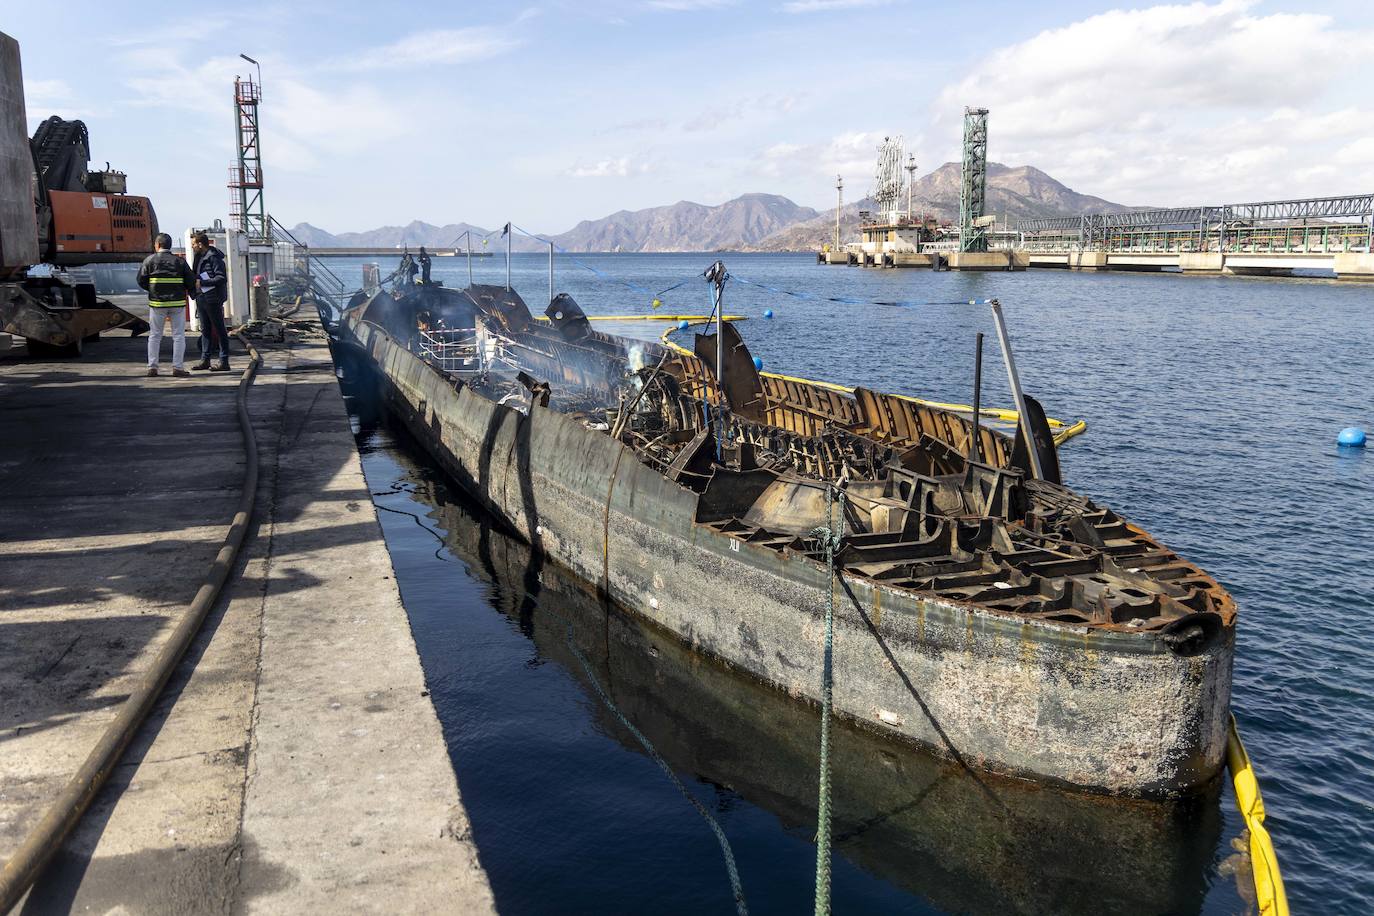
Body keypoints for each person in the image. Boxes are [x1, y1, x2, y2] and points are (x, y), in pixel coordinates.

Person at [136, 233, 196, 377]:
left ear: (157, 245)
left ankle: (152, 368)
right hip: (177, 304)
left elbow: (141, 280)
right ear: (169, 246)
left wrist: (153, 290)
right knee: (179, 336)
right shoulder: (180, 262)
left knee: (155, 335)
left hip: (157, 303)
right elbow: (191, 280)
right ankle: (178, 368)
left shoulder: (149, 260)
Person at [189, 230, 231, 371]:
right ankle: (205, 360)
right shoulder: (198, 257)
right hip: (201, 297)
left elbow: (221, 278)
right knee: (205, 329)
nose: (192, 247)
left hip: (213, 299)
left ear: (200, 244)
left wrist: (203, 283)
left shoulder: (214, 258)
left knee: (219, 329)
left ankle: (224, 361)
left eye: (194, 244)